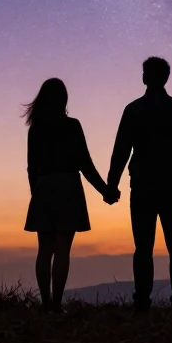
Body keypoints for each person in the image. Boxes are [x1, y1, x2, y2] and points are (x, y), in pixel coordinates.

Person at [23, 78, 120, 313]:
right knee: (62, 249)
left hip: (44, 186)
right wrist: (106, 190)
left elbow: (31, 167)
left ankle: (46, 303)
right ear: (64, 99)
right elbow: (85, 164)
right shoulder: (72, 126)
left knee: (44, 249)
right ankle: (56, 305)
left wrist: (36, 193)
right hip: (68, 187)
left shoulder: (36, 129)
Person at [107, 56, 172, 314]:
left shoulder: (134, 110)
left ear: (147, 77)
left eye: (144, 72)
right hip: (170, 188)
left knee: (143, 247)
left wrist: (112, 184)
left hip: (144, 188)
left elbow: (121, 150)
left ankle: (142, 301)